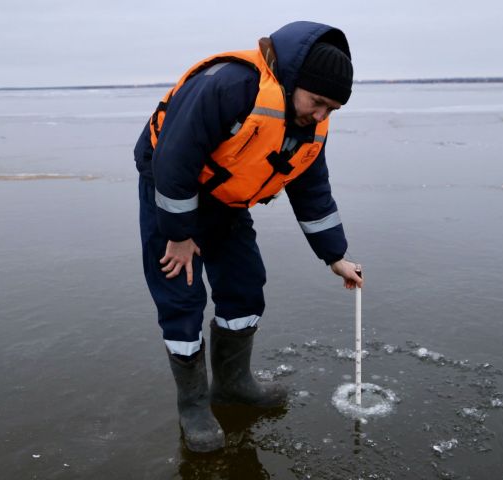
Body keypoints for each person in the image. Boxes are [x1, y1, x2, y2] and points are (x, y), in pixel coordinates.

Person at [133, 20, 364, 452]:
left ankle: (233, 386)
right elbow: (174, 161)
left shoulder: (310, 124)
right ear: (295, 82)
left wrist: (335, 255)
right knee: (181, 298)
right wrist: (179, 235)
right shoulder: (228, 85)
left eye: (332, 109)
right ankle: (194, 406)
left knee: (244, 287)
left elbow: (312, 190)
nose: (321, 115)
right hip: (171, 194)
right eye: (317, 102)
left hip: (227, 202)